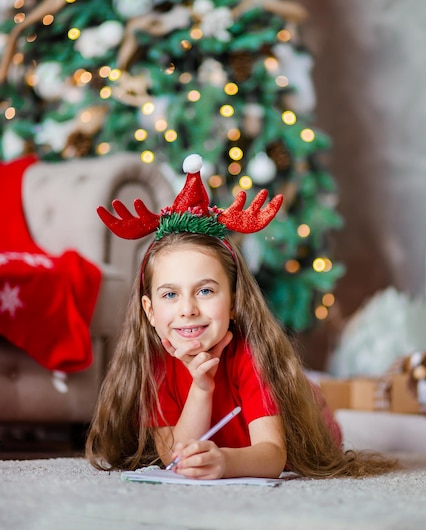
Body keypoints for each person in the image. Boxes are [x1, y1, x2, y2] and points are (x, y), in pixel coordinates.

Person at [86, 154, 398, 479]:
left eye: (205, 291)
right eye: (170, 294)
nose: (188, 309)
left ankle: (366, 410)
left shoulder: (250, 356)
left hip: (311, 416)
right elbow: (175, 456)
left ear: (234, 301)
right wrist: (202, 387)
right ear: (149, 310)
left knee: (328, 414)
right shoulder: (153, 363)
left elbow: (273, 455)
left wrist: (225, 463)